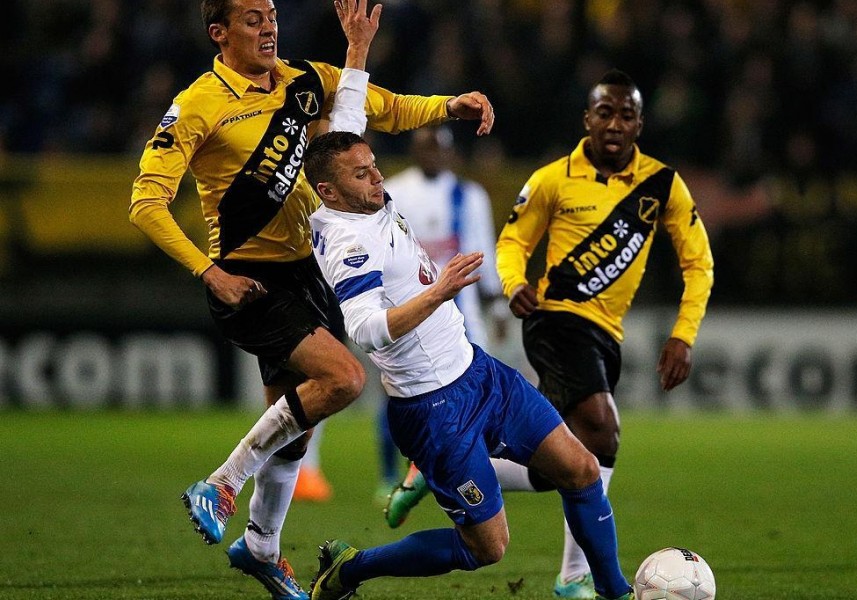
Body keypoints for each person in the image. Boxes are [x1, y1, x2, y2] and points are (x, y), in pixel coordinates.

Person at [129, 1, 495, 598]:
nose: (268, 26)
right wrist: (208, 274)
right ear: (218, 33)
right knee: (345, 380)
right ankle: (222, 482)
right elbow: (146, 204)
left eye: (271, 14)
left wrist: (449, 105)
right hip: (246, 278)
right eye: (251, 18)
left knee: (294, 426)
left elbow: (382, 107)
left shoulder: (306, 80)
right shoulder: (199, 104)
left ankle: (261, 547)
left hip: (307, 273)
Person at [303, 130, 635, 600]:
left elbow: (352, 116)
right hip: (433, 410)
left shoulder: (367, 200)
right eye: (362, 173)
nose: (378, 177)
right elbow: (365, 329)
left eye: (374, 165)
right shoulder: (348, 243)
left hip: (479, 373)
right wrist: (439, 291)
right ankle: (353, 568)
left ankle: (615, 592)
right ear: (328, 192)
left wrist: (369, 62)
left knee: (581, 468)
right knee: (488, 548)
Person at [495, 69, 715, 598]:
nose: (615, 124)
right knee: (602, 427)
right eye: (605, 113)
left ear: (639, 123)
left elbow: (699, 263)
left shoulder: (662, 184)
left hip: (605, 336)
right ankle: (577, 578)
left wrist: (683, 334)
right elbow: (513, 240)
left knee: (565, 463)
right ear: (587, 120)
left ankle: (460, 464)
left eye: (627, 114)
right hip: (555, 319)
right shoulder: (552, 178)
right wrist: (512, 282)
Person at [372, 126, 508, 497]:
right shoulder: (394, 192)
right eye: (426, 148)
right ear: (415, 151)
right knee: (399, 392)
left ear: (451, 153)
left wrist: (496, 307)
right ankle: (389, 476)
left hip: (462, 315)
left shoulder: (469, 195)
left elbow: (484, 255)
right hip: (408, 310)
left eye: (439, 149)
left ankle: (452, 471)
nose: (433, 155)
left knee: (472, 392)